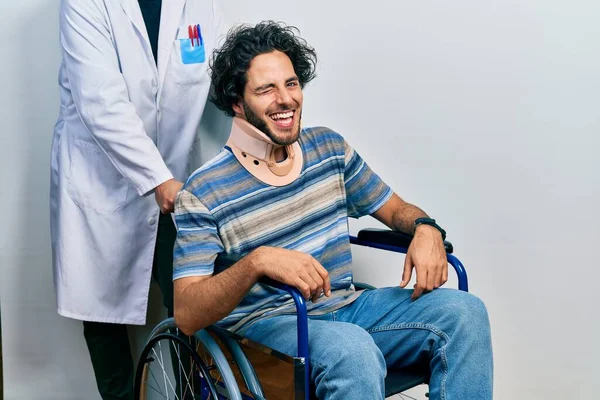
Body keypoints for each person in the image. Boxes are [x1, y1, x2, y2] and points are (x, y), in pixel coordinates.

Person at [172, 21, 493, 400]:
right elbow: (188, 315)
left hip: (348, 309)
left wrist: (426, 228)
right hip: (266, 329)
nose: (285, 99)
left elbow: (397, 209)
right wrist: (256, 262)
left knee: (465, 314)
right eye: (266, 89)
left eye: (291, 84)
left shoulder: (329, 149)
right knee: (350, 351)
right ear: (237, 103)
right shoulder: (204, 190)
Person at [49, 0, 223, 398]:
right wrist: (158, 179)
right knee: (101, 311)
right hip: (102, 179)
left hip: (177, 175)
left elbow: (225, 71)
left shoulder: (201, 5)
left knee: (190, 302)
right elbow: (101, 102)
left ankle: (185, 394)